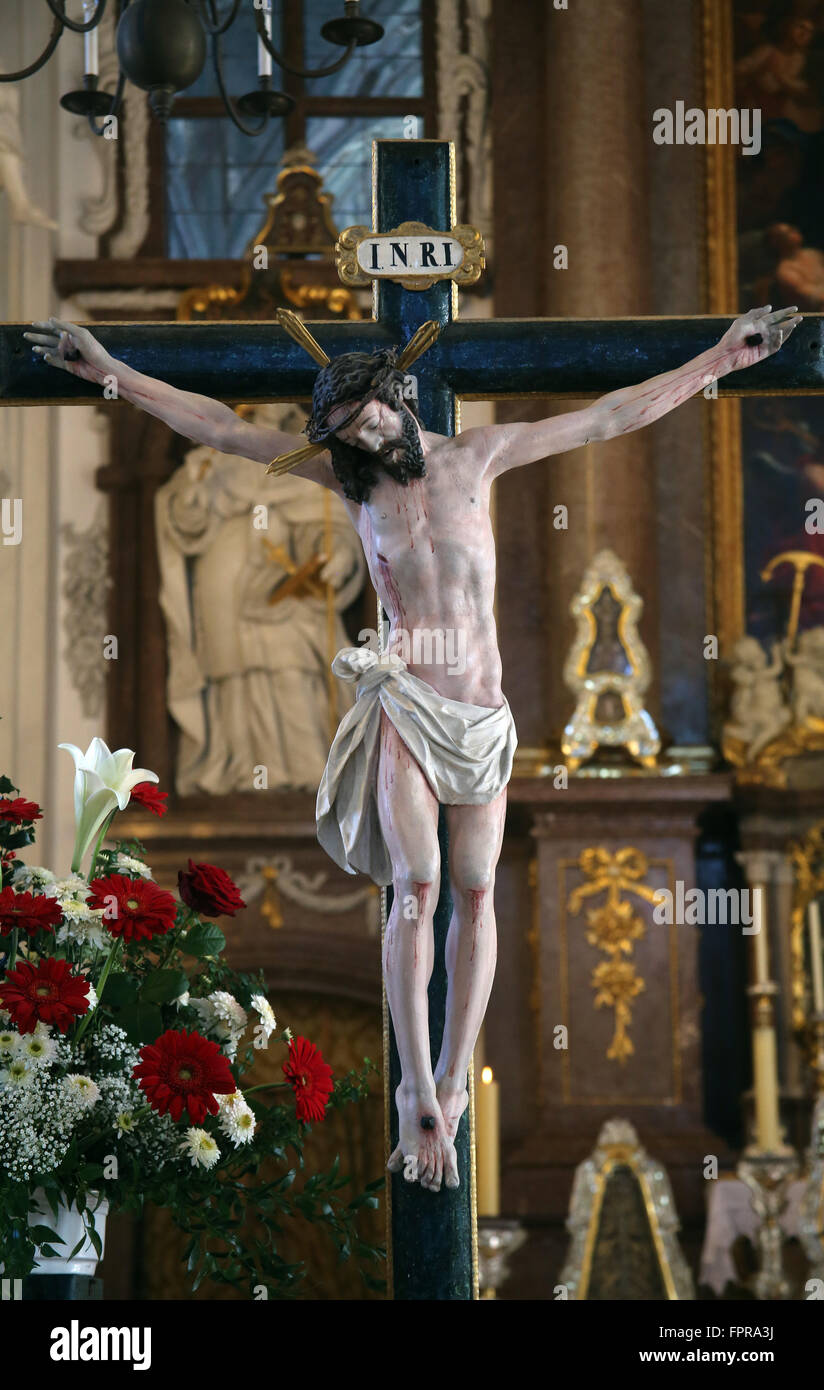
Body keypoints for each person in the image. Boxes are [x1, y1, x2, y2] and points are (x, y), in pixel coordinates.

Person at [25, 302, 802, 1192]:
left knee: (475, 894)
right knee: (416, 889)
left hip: (480, 717)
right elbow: (221, 426)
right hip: (407, 706)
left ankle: (455, 1078)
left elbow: (609, 414)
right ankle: (413, 1088)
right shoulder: (351, 485)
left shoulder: (481, 455)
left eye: (368, 419)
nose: (360, 439)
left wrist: (719, 360)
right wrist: (106, 372)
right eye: (345, 432)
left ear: (398, 398)